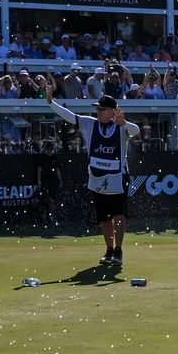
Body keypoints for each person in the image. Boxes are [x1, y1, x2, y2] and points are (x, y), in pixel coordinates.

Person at [43, 75, 140, 266]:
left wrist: (124, 123)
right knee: (104, 218)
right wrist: (51, 103)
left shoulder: (121, 128)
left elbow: (136, 130)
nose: (98, 112)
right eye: (97, 109)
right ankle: (109, 250)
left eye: (102, 109)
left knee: (118, 215)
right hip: (96, 178)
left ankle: (119, 251)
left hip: (118, 178)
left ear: (113, 111)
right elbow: (69, 116)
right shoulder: (90, 124)